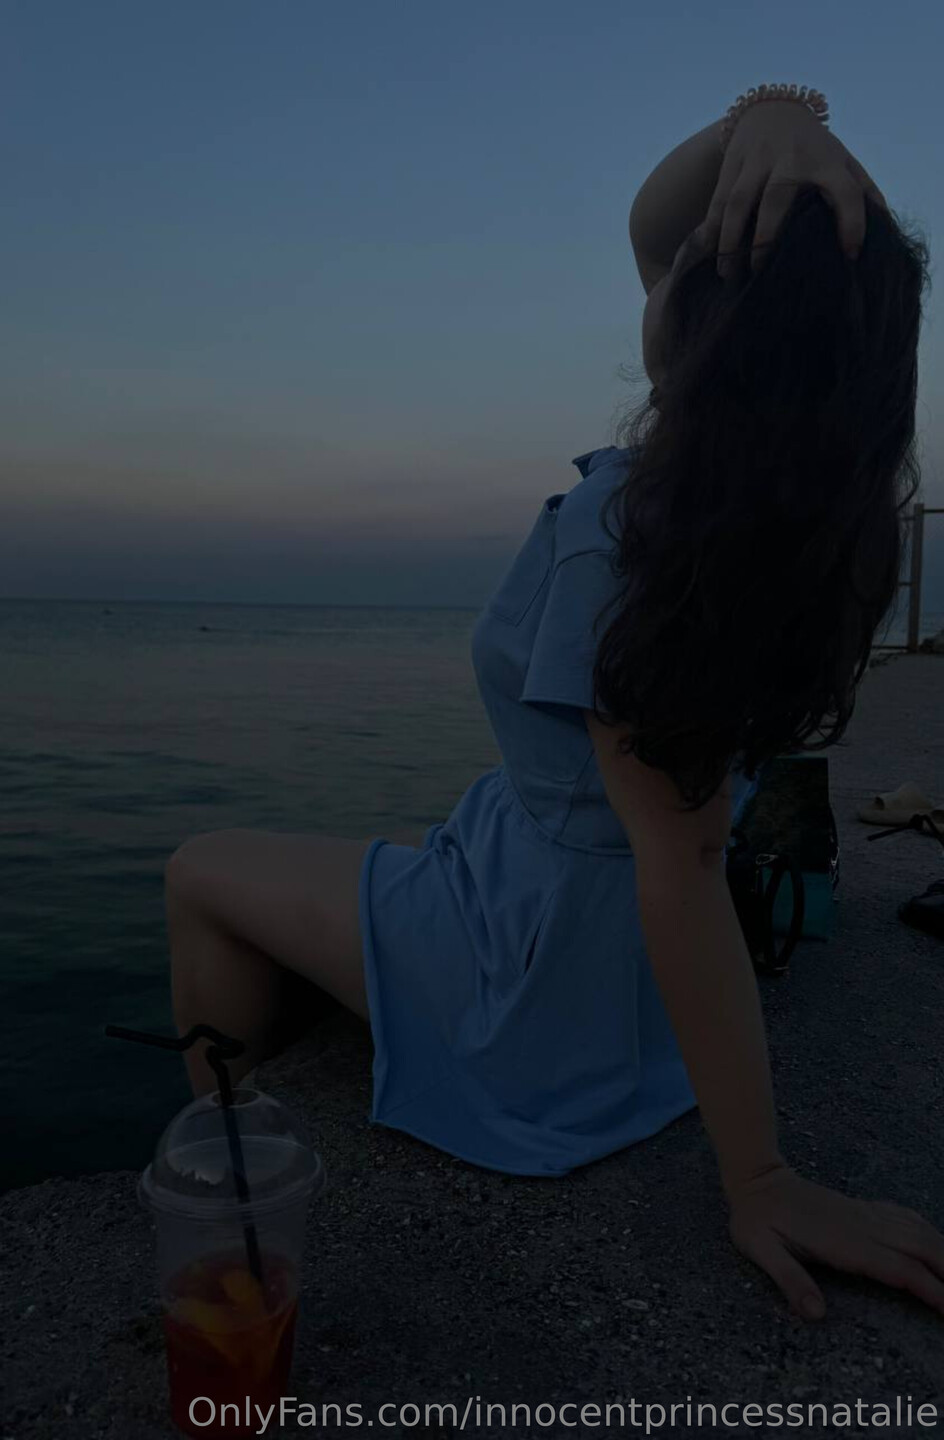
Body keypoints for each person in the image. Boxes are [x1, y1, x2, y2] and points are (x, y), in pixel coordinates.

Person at [165, 91, 944, 1323]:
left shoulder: (625, 531)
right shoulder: (803, 532)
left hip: (531, 994)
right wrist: (783, 122)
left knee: (201, 870)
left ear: (710, 335)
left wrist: (762, 1179)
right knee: (386, 863)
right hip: (603, 962)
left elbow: (682, 861)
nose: (659, 267)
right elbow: (667, 230)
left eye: (690, 267)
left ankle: (223, 1177)